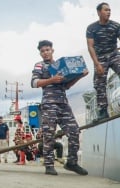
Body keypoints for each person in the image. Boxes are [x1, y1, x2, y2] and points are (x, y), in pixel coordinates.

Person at [31, 40, 89, 176]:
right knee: (49, 135)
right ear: (40, 53)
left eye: (47, 50)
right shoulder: (39, 66)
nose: (45, 52)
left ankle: (72, 163)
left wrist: (80, 76)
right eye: (42, 51)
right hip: (49, 104)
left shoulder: (60, 66)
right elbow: (34, 83)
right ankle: (49, 165)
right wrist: (51, 80)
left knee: (74, 131)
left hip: (63, 104)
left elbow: (66, 86)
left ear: (52, 50)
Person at [86, 2, 120, 121]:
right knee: (99, 83)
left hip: (114, 54)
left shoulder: (116, 26)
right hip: (100, 57)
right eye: (106, 10)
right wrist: (97, 64)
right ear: (99, 12)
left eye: (110, 10)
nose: (109, 12)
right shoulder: (92, 28)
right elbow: (90, 47)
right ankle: (103, 111)